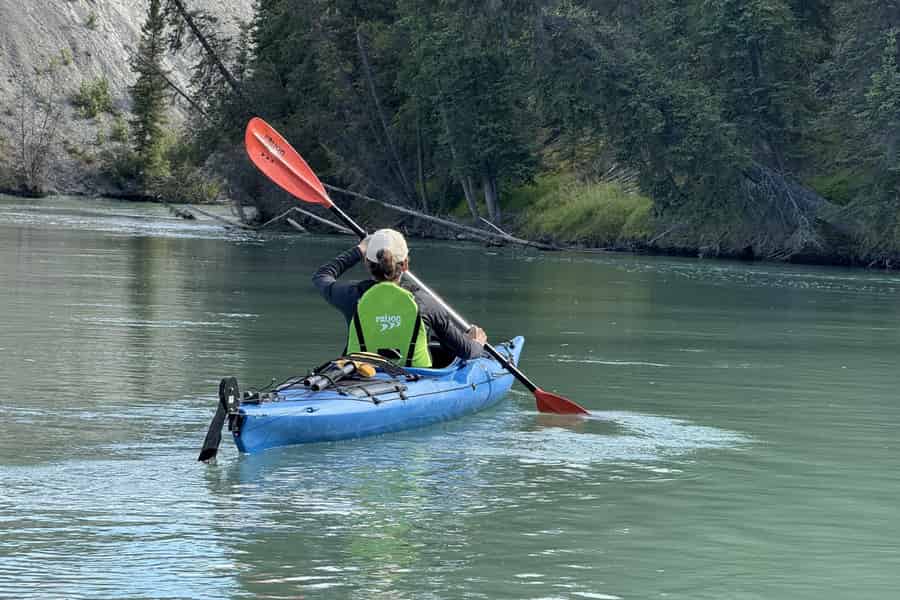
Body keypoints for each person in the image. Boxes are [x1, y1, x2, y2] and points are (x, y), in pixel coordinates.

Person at [312, 229, 487, 367]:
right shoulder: (426, 302)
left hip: (361, 374)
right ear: (405, 265)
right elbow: (466, 352)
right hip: (415, 379)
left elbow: (322, 276)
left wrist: (358, 250)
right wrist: (477, 343)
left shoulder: (351, 295)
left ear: (366, 263)